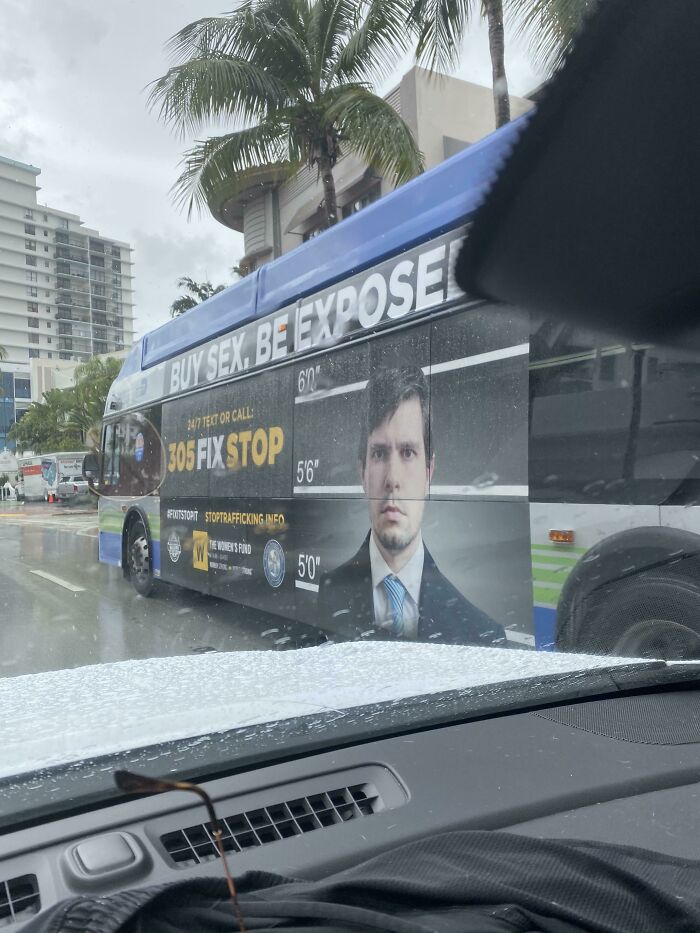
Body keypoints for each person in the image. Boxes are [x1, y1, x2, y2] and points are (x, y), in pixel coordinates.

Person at [316, 366, 506, 646]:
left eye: (407, 452)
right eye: (379, 454)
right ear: (362, 473)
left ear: (429, 473)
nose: (393, 479)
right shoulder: (330, 591)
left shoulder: (481, 634)